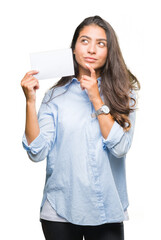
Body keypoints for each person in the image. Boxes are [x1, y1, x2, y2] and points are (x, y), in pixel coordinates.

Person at [21, 15, 140, 240]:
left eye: (101, 43)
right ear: (74, 48)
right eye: (85, 41)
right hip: (60, 209)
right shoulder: (55, 96)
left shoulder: (124, 93)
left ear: (109, 52)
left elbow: (121, 147)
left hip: (106, 209)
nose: (92, 49)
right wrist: (30, 101)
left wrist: (96, 99)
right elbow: (37, 152)